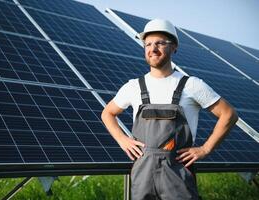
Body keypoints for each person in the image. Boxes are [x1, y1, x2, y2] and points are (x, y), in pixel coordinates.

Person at [101, 18, 238, 200]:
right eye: (148, 44)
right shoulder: (133, 86)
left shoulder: (192, 85)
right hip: (142, 173)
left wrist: (205, 149)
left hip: (177, 173)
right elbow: (107, 113)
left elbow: (229, 114)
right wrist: (122, 139)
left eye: (160, 43)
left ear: (174, 47)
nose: (153, 48)